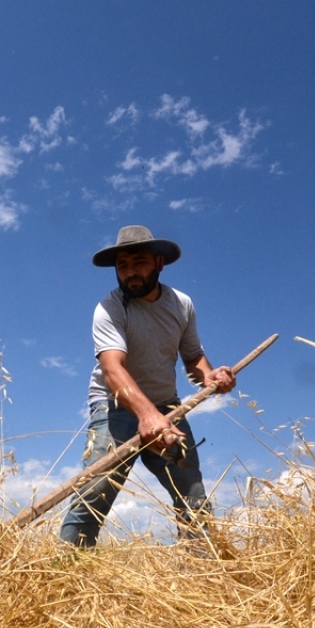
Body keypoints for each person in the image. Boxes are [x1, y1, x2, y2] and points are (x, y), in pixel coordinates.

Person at [59, 225, 237, 548]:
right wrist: (145, 415)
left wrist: (209, 377)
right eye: (123, 266)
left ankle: (202, 577)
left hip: (168, 406)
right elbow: (113, 370)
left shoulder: (181, 305)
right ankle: (62, 571)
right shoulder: (109, 308)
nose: (130, 273)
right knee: (95, 491)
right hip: (115, 407)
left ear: (159, 263)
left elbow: (193, 356)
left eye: (139, 263)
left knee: (192, 497)